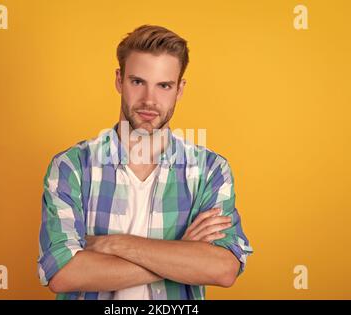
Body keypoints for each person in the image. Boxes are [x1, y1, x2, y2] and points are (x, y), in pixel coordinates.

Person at [37, 25, 253, 300]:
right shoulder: (71, 167)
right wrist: (181, 253)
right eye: (138, 82)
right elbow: (63, 273)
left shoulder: (210, 170)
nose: (149, 100)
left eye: (164, 85)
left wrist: (113, 244)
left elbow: (223, 269)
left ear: (180, 89)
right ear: (119, 80)